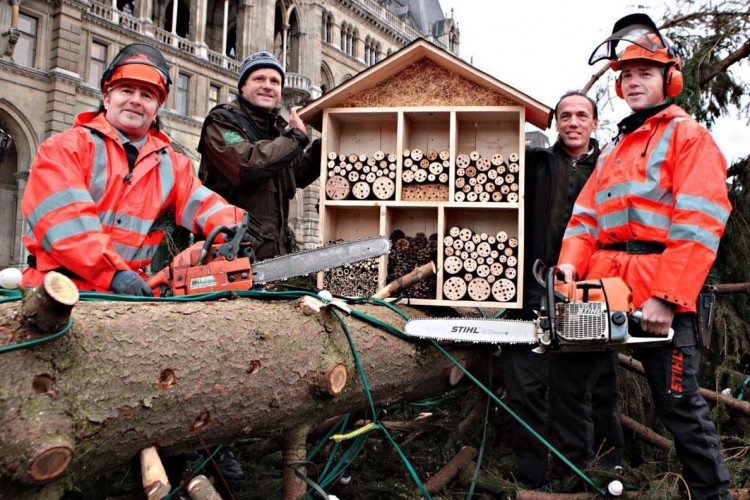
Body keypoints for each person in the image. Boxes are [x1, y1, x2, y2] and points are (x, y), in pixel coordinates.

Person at [557, 26, 732, 499]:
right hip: (604, 287)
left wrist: (668, 298)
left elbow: (699, 223)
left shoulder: (688, 137)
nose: (634, 81)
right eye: (627, 74)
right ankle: (586, 479)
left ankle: (713, 493)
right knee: (578, 387)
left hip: (659, 288)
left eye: (644, 72)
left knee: (677, 402)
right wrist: (571, 265)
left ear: (667, 78)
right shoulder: (614, 150)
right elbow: (585, 218)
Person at [21, 42, 248, 296]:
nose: (135, 101)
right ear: (107, 98)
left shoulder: (172, 165)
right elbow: (64, 222)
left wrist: (235, 228)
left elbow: (204, 205)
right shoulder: (64, 148)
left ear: (156, 109)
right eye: (126, 90)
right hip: (56, 287)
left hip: (128, 293)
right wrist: (114, 272)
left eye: (147, 95)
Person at [503, 91, 623, 489]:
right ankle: (533, 476)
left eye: (581, 116)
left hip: (592, 292)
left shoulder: (613, 167)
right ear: (556, 123)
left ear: (594, 123)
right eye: (565, 116)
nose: (573, 122)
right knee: (525, 385)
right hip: (534, 288)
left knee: (591, 386)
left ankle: (593, 473)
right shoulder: (537, 163)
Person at [198, 50, 321, 261]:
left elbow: (299, 172)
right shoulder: (221, 120)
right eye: (259, 79)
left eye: (275, 81)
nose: (268, 85)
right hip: (231, 256)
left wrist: (326, 143)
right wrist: (296, 137)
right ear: (243, 86)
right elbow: (246, 164)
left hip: (272, 259)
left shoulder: (278, 131)